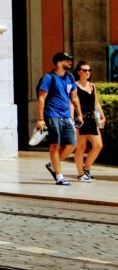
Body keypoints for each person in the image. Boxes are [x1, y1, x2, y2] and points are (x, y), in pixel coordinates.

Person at [36, 51, 83, 185]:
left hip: (66, 115)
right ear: (58, 63)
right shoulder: (49, 78)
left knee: (71, 145)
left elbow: (74, 97)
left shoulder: (70, 77)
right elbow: (41, 98)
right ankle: (59, 175)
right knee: (55, 145)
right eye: (66, 60)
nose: (70, 62)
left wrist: (79, 114)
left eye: (70, 60)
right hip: (52, 114)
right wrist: (40, 119)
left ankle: (52, 165)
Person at [63, 60, 105, 182]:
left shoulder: (92, 86)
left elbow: (96, 103)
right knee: (81, 147)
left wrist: (102, 116)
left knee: (98, 145)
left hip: (91, 117)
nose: (87, 72)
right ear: (78, 71)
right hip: (79, 118)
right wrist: (71, 119)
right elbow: (71, 103)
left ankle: (86, 168)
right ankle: (81, 174)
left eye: (89, 70)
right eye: (85, 70)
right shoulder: (74, 85)